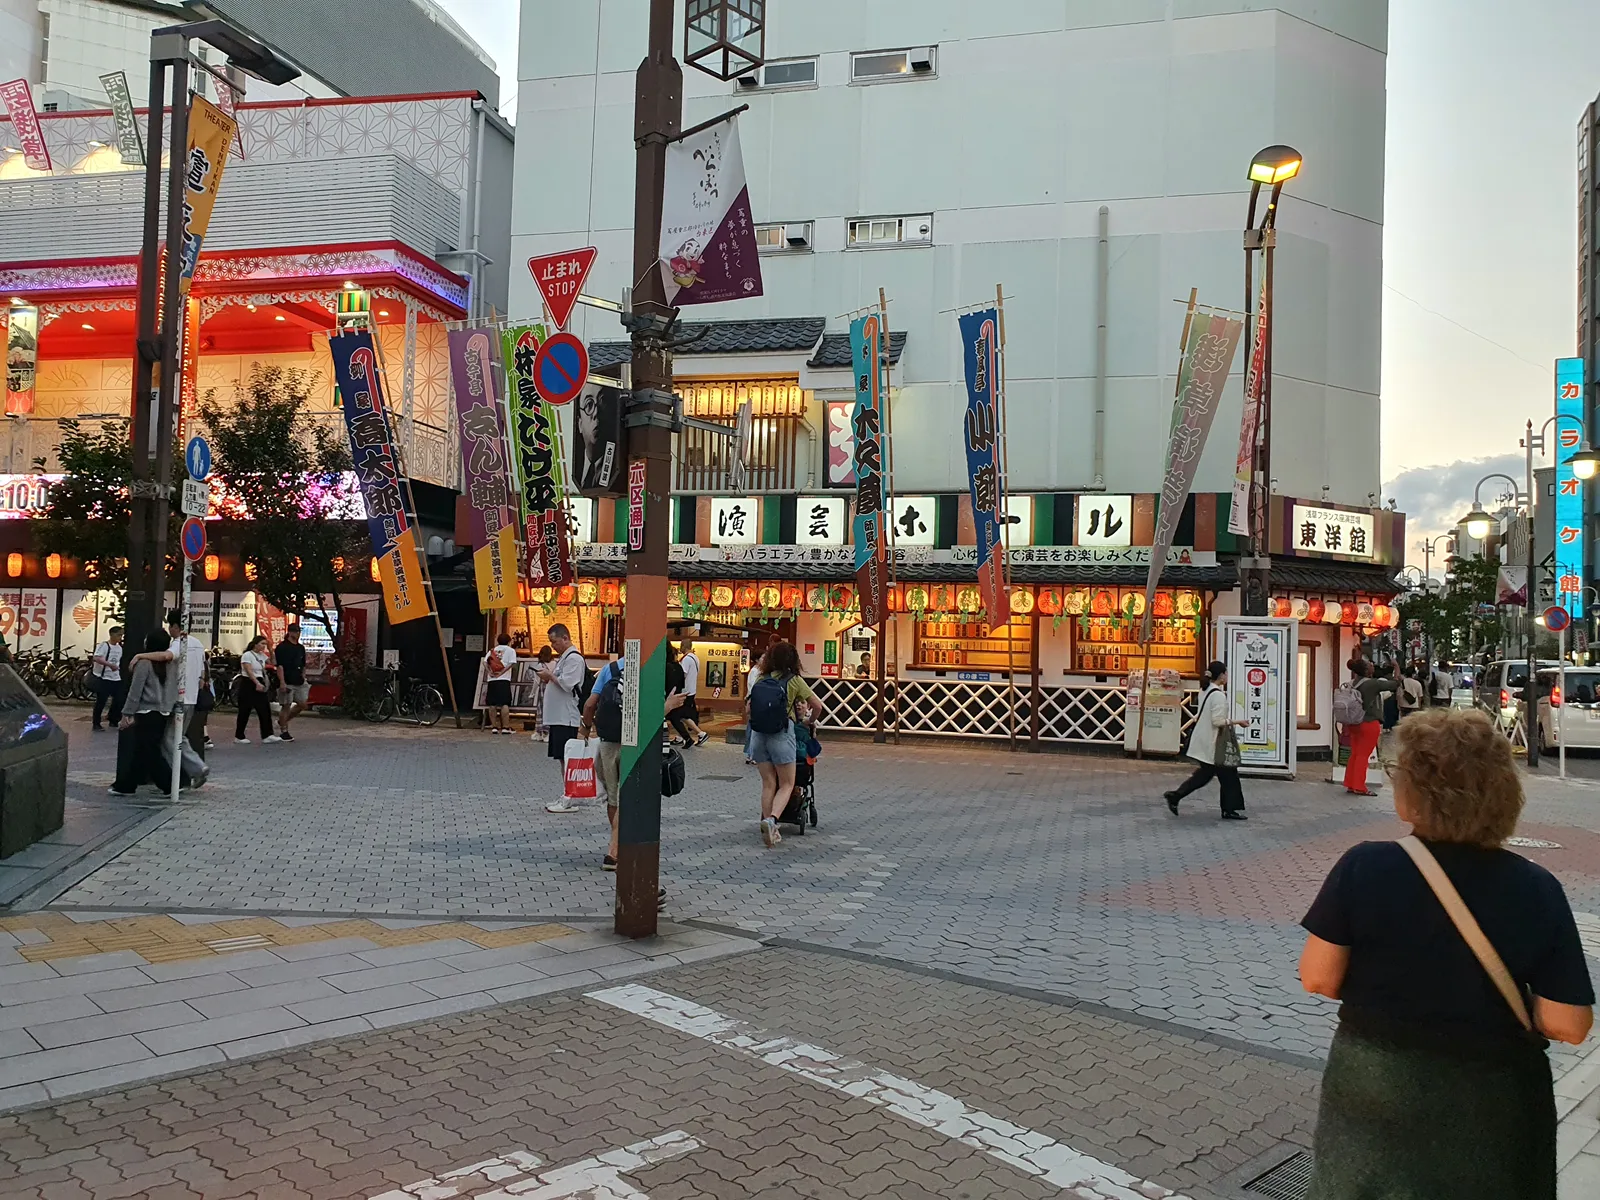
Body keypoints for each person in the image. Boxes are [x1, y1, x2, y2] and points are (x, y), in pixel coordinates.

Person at [1298, 708, 1594, 1198]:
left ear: (1413, 794)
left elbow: (1318, 977)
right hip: (1493, 1096)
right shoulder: (1537, 888)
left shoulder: (1365, 866)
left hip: (1374, 1080)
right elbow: (1570, 1024)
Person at [577, 656, 686, 870]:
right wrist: (668, 706)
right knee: (628, 797)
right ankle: (614, 850)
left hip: (608, 743)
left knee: (614, 798)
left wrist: (585, 730)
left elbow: (590, 704)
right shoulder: (651, 671)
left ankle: (617, 844)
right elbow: (649, 718)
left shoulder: (610, 669)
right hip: (634, 745)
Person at [747, 640, 824, 848]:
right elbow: (817, 705)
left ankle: (766, 822)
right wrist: (808, 721)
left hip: (758, 735)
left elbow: (748, 709)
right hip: (781, 733)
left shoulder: (761, 678)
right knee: (787, 784)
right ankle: (772, 821)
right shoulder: (794, 680)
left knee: (768, 783)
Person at [1163, 660, 1250, 820]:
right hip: (1214, 742)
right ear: (1221, 675)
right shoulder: (1218, 695)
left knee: (1207, 775)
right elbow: (1217, 721)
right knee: (1227, 774)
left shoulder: (1205, 690)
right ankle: (1228, 809)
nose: (1227, 676)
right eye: (1226, 673)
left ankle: (1176, 796)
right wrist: (1238, 722)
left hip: (1203, 739)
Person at [109, 631, 178, 796]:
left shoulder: (143, 663)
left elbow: (135, 690)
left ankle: (170, 783)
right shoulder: (172, 663)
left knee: (149, 750)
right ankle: (127, 784)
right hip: (164, 711)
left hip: (147, 711)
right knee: (143, 749)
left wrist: (127, 713)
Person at [1345, 660, 1397, 796]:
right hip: (1369, 722)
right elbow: (1395, 684)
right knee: (1363, 755)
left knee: (1355, 754)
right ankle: (1359, 786)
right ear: (1366, 670)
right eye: (1370, 665)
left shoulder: (1352, 683)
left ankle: (1350, 783)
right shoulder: (1372, 683)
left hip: (1354, 722)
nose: (1373, 666)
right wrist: (1396, 667)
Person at [537, 622, 586, 763]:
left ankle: (567, 779)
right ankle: (565, 778)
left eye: (554, 642)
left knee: (566, 758)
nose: (552, 646)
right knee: (561, 757)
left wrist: (550, 675)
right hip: (558, 716)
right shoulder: (564, 657)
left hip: (566, 717)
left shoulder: (574, 658)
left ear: (565, 638)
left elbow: (567, 683)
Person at [234, 635, 279, 744]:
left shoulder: (262, 655)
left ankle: (267, 734)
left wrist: (271, 650)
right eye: (262, 644)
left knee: (264, 709)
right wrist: (256, 683)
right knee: (245, 710)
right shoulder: (247, 655)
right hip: (248, 682)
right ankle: (239, 736)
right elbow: (248, 671)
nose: (264, 646)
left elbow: (273, 663)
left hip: (260, 680)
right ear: (255, 644)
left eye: (265, 644)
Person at [274, 624, 309, 741]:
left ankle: (282, 721)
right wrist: (282, 682)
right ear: (289, 632)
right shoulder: (282, 647)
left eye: (298, 631)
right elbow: (280, 666)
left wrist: (303, 676)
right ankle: (284, 731)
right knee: (286, 705)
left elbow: (303, 664)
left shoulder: (300, 648)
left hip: (299, 680)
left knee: (302, 704)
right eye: (295, 631)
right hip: (287, 680)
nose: (298, 634)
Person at [90, 625, 124, 731]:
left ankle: (114, 719)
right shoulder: (104, 645)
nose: (120, 637)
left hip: (115, 677)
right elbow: (96, 658)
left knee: (119, 699)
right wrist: (109, 665)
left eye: (121, 635)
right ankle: (96, 723)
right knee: (101, 701)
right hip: (104, 677)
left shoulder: (119, 648)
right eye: (118, 635)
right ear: (112, 634)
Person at [677, 636, 709, 747]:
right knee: (682, 714)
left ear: (684, 646)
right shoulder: (695, 658)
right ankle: (681, 736)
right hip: (691, 690)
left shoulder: (686, 659)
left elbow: (682, 674)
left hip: (685, 691)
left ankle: (700, 733)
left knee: (681, 715)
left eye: (681, 646)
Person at [484, 633, 517, 734]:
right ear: (509, 641)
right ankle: (505, 727)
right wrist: (502, 672)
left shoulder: (492, 650)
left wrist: (490, 672)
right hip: (504, 679)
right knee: (505, 703)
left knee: (492, 704)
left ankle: (494, 726)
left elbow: (485, 662)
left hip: (492, 680)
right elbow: (511, 663)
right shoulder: (511, 650)